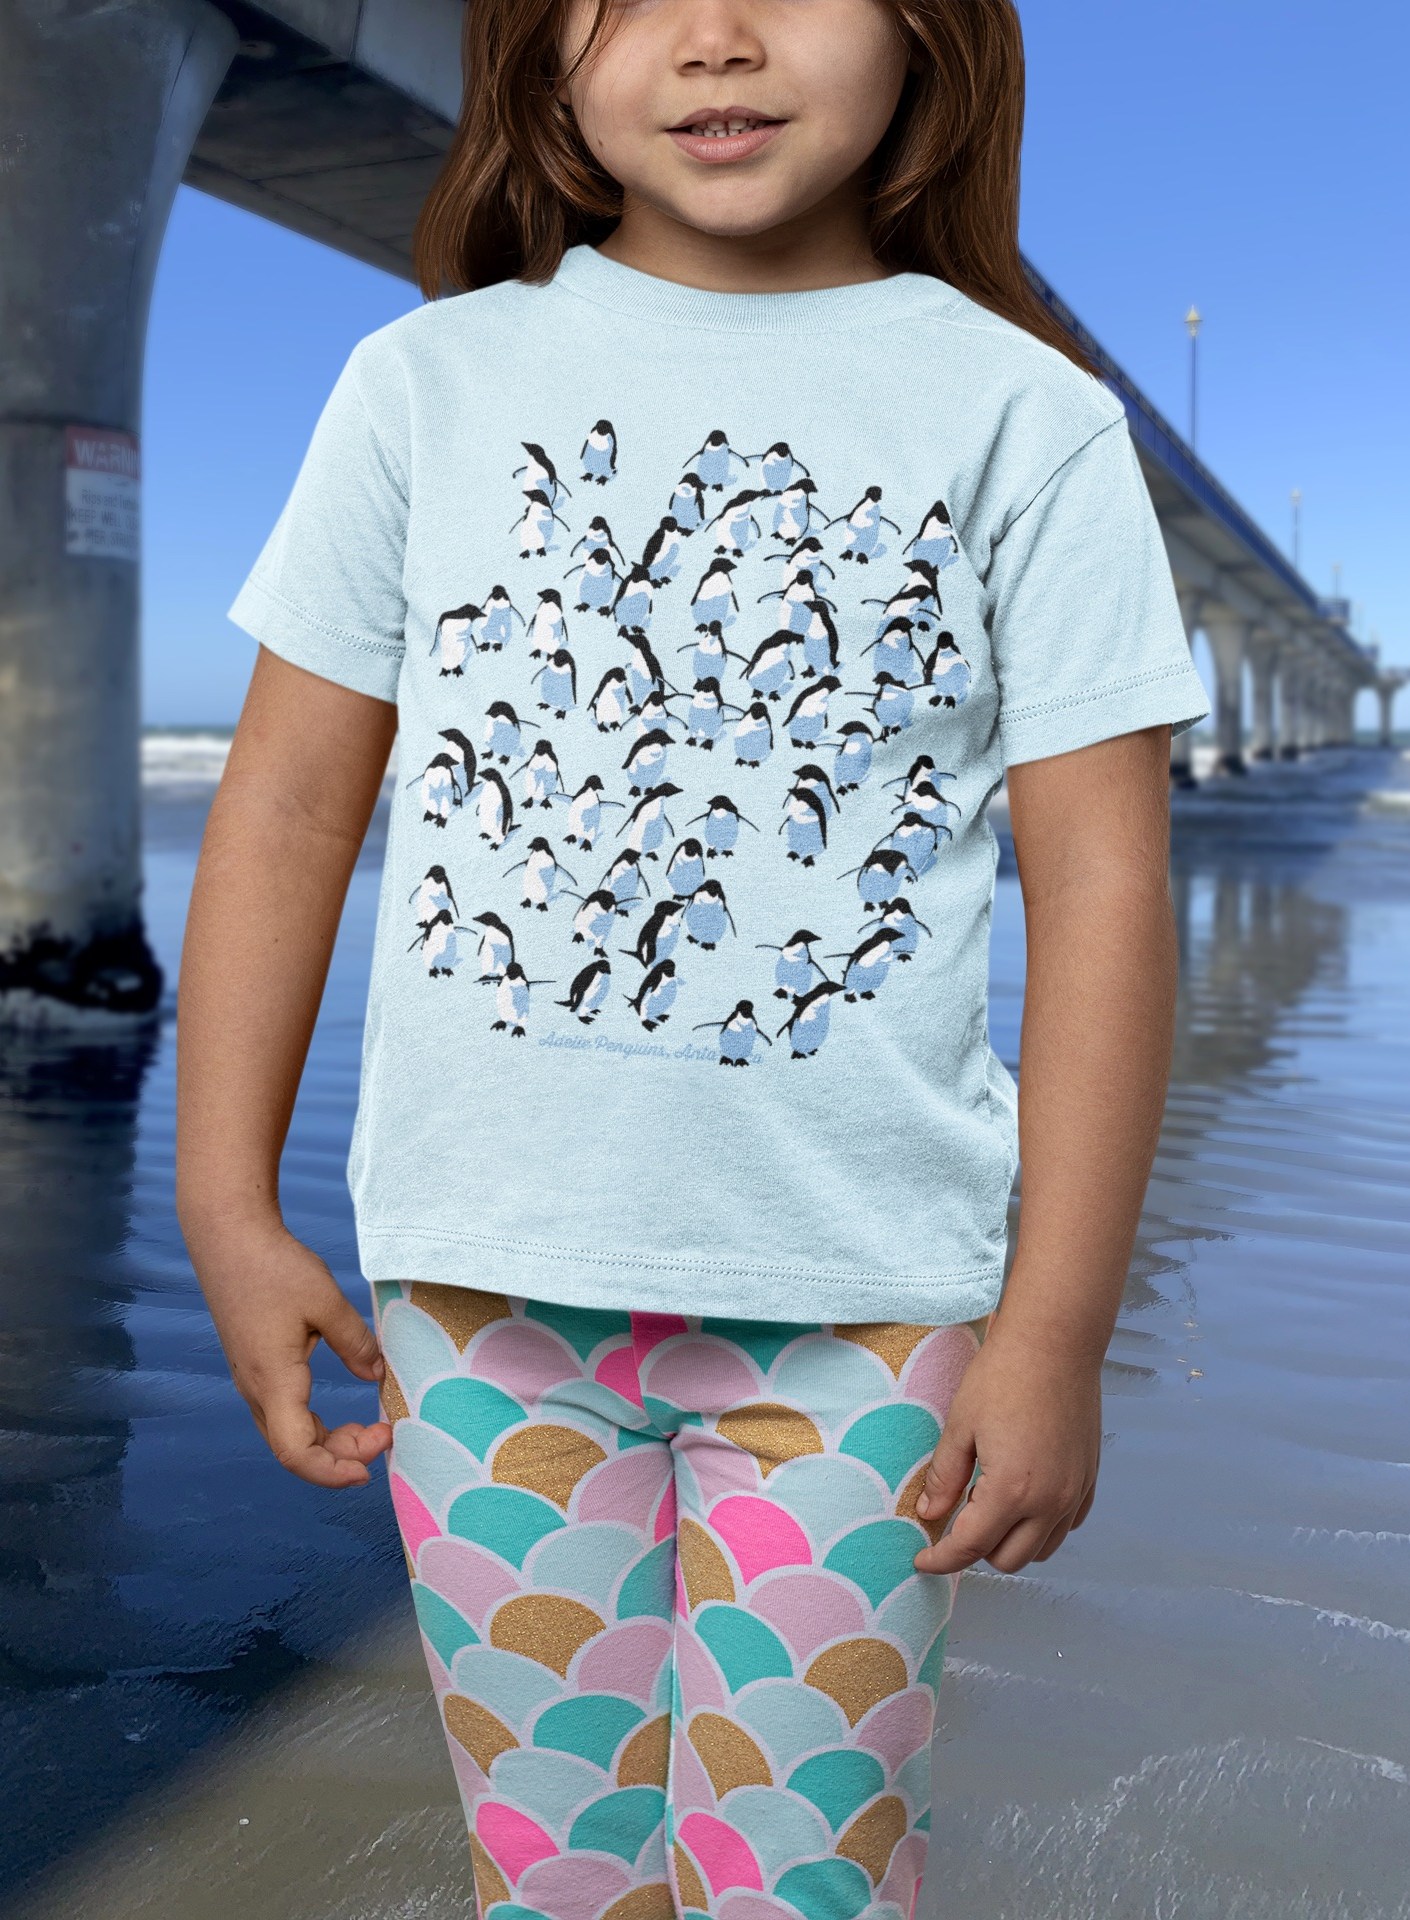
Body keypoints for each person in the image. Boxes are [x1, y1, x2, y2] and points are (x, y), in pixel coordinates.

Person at [175, 1, 1210, 1914]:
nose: (714, 36)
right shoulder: (423, 385)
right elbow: (291, 811)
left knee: (800, 1881)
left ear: (929, 36)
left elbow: (1101, 891)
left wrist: (1056, 1328)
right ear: (539, 50)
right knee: (549, 1875)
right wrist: (227, 1199)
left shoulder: (1024, 414)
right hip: (478, 1299)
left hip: (864, 1315)